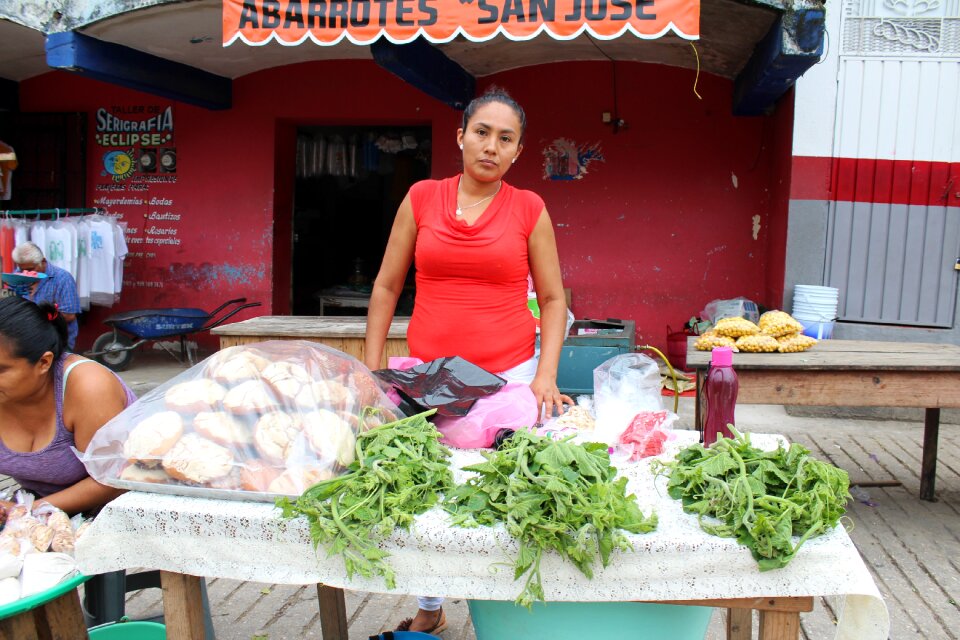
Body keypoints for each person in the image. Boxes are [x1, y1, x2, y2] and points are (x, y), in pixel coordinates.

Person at [364, 87, 573, 633]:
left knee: (491, 494)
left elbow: (553, 300)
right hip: (430, 381)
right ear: (460, 137)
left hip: (508, 377)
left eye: (506, 139)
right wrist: (370, 372)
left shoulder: (530, 209)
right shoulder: (422, 198)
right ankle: (430, 608)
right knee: (424, 488)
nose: (491, 146)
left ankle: (502, 609)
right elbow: (386, 288)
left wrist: (546, 376)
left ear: (518, 152)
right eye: (481, 132)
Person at [0, 296, 135, 515]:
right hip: (39, 513)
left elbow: (112, 480)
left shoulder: (88, 386)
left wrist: (27, 511)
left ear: (44, 362)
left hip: (115, 514)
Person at [12, 241, 81, 351]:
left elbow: (69, 315)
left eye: (30, 269)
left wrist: (34, 317)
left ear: (42, 261)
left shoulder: (62, 279)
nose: (25, 273)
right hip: (25, 341)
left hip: (57, 342)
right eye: (21, 269)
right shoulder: (18, 275)